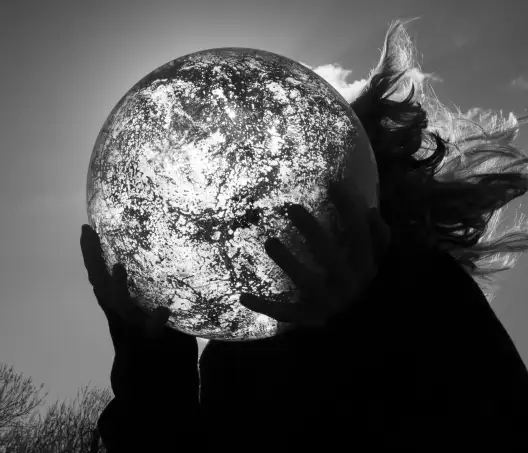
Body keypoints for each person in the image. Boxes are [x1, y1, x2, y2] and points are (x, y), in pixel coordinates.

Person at [81, 20, 528, 451]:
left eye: (286, 197)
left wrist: (367, 317)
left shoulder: (425, 293)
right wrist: (152, 355)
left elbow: (491, 424)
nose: (257, 223)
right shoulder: (238, 352)